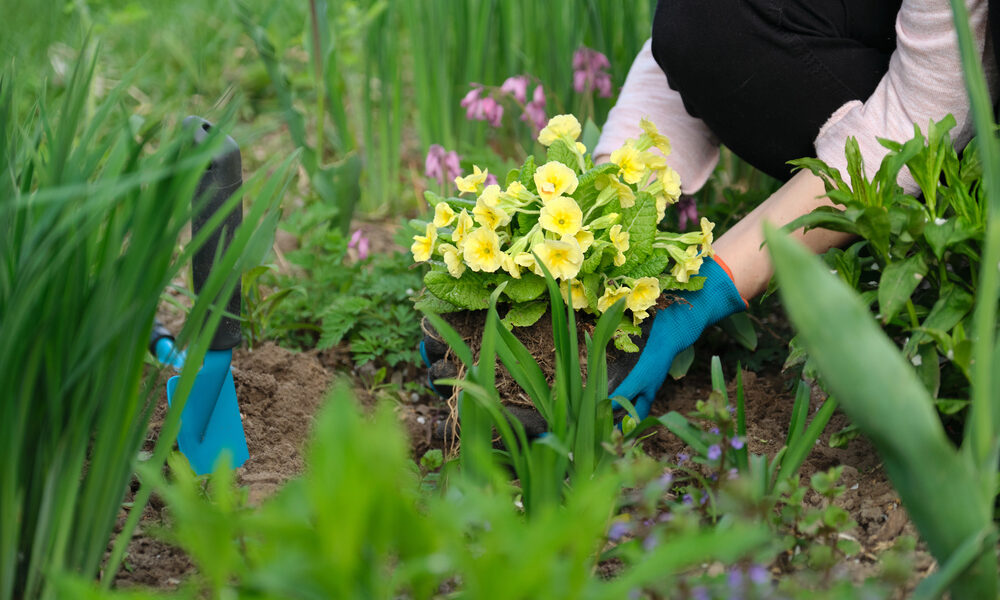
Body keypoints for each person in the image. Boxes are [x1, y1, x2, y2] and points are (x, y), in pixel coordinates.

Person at [598, 0, 997, 419]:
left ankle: (951, 267)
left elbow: (931, 110)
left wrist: (702, 289)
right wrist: (607, 211)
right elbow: (698, 31)